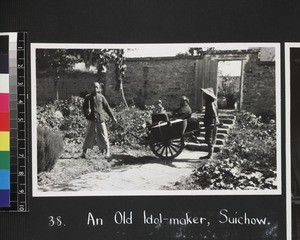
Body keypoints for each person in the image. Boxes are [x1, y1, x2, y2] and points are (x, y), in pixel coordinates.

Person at [81, 82, 117, 159]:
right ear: (91, 88)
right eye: (94, 87)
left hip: (100, 119)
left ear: (99, 89)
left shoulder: (101, 97)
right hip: (91, 119)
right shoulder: (88, 98)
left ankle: (107, 151)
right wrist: (87, 111)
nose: (95, 88)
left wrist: (113, 117)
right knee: (88, 135)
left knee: (104, 135)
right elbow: (83, 108)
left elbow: (107, 108)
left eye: (97, 87)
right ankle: (84, 152)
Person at [200, 88, 220, 159]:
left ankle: (210, 155)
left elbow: (215, 114)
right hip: (210, 123)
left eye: (204, 95)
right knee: (209, 138)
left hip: (212, 124)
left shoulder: (211, 104)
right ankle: (209, 154)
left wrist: (214, 122)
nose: (203, 96)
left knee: (210, 139)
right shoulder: (209, 103)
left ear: (208, 96)